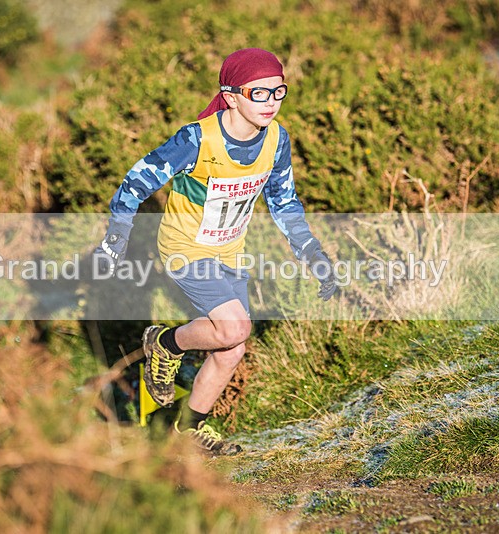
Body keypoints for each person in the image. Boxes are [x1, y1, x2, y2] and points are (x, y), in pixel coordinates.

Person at [94, 48, 336, 455]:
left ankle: (188, 430)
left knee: (231, 350)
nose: (271, 102)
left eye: (279, 92)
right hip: (184, 248)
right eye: (259, 93)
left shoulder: (276, 140)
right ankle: (166, 344)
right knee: (234, 328)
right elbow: (134, 184)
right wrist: (114, 241)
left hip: (229, 251)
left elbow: (284, 201)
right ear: (231, 94)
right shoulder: (197, 139)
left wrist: (312, 251)